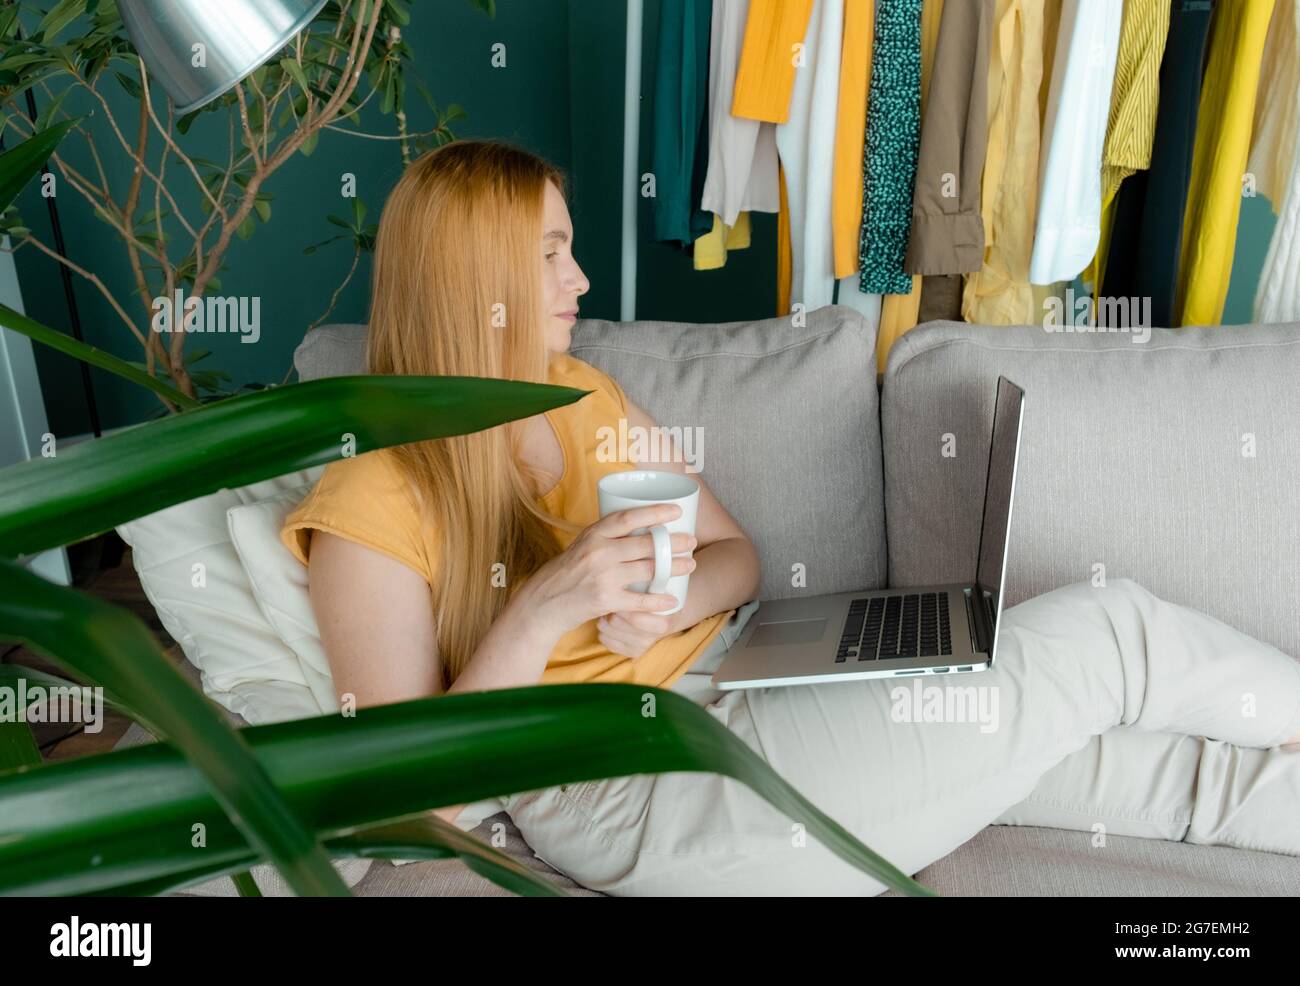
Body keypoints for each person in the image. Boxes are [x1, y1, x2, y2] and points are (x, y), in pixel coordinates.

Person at [282, 139, 1300, 895]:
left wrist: (678, 588)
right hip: (634, 786)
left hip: (732, 672)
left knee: (1129, 763)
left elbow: (736, 555)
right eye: (550, 254)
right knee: (1107, 630)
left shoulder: (576, 391)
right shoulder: (373, 499)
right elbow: (396, 814)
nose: (579, 281)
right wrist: (547, 605)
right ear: (475, 277)